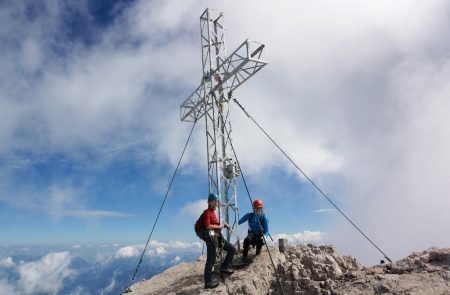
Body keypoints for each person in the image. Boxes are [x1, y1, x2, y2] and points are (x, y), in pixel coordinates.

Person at [195, 193, 236, 289]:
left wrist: (223, 225)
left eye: (217, 201)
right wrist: (220, 226)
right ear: (210, 202)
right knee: (211, 258)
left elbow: (215, 225)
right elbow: (208, 226)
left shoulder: (212, 213)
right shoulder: (207, 213)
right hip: (211, 238)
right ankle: (208, 281)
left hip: (215, 236)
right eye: (215, 201)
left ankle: (224, 267)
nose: (217, 203)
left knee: (232, 249)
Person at [238, 199, 269, 263]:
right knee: (247, 240)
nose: (258, 210)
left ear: (261, 209)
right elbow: (239, 222)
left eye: (259, 208)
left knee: (261, 241)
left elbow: (267, 231)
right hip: (251, 234)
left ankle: (258, 251)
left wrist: (265, 237)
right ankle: (244, 256)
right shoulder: (249, 215)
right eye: (256, 208)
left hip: (260, 235)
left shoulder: (263, 217)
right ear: (253, 208)